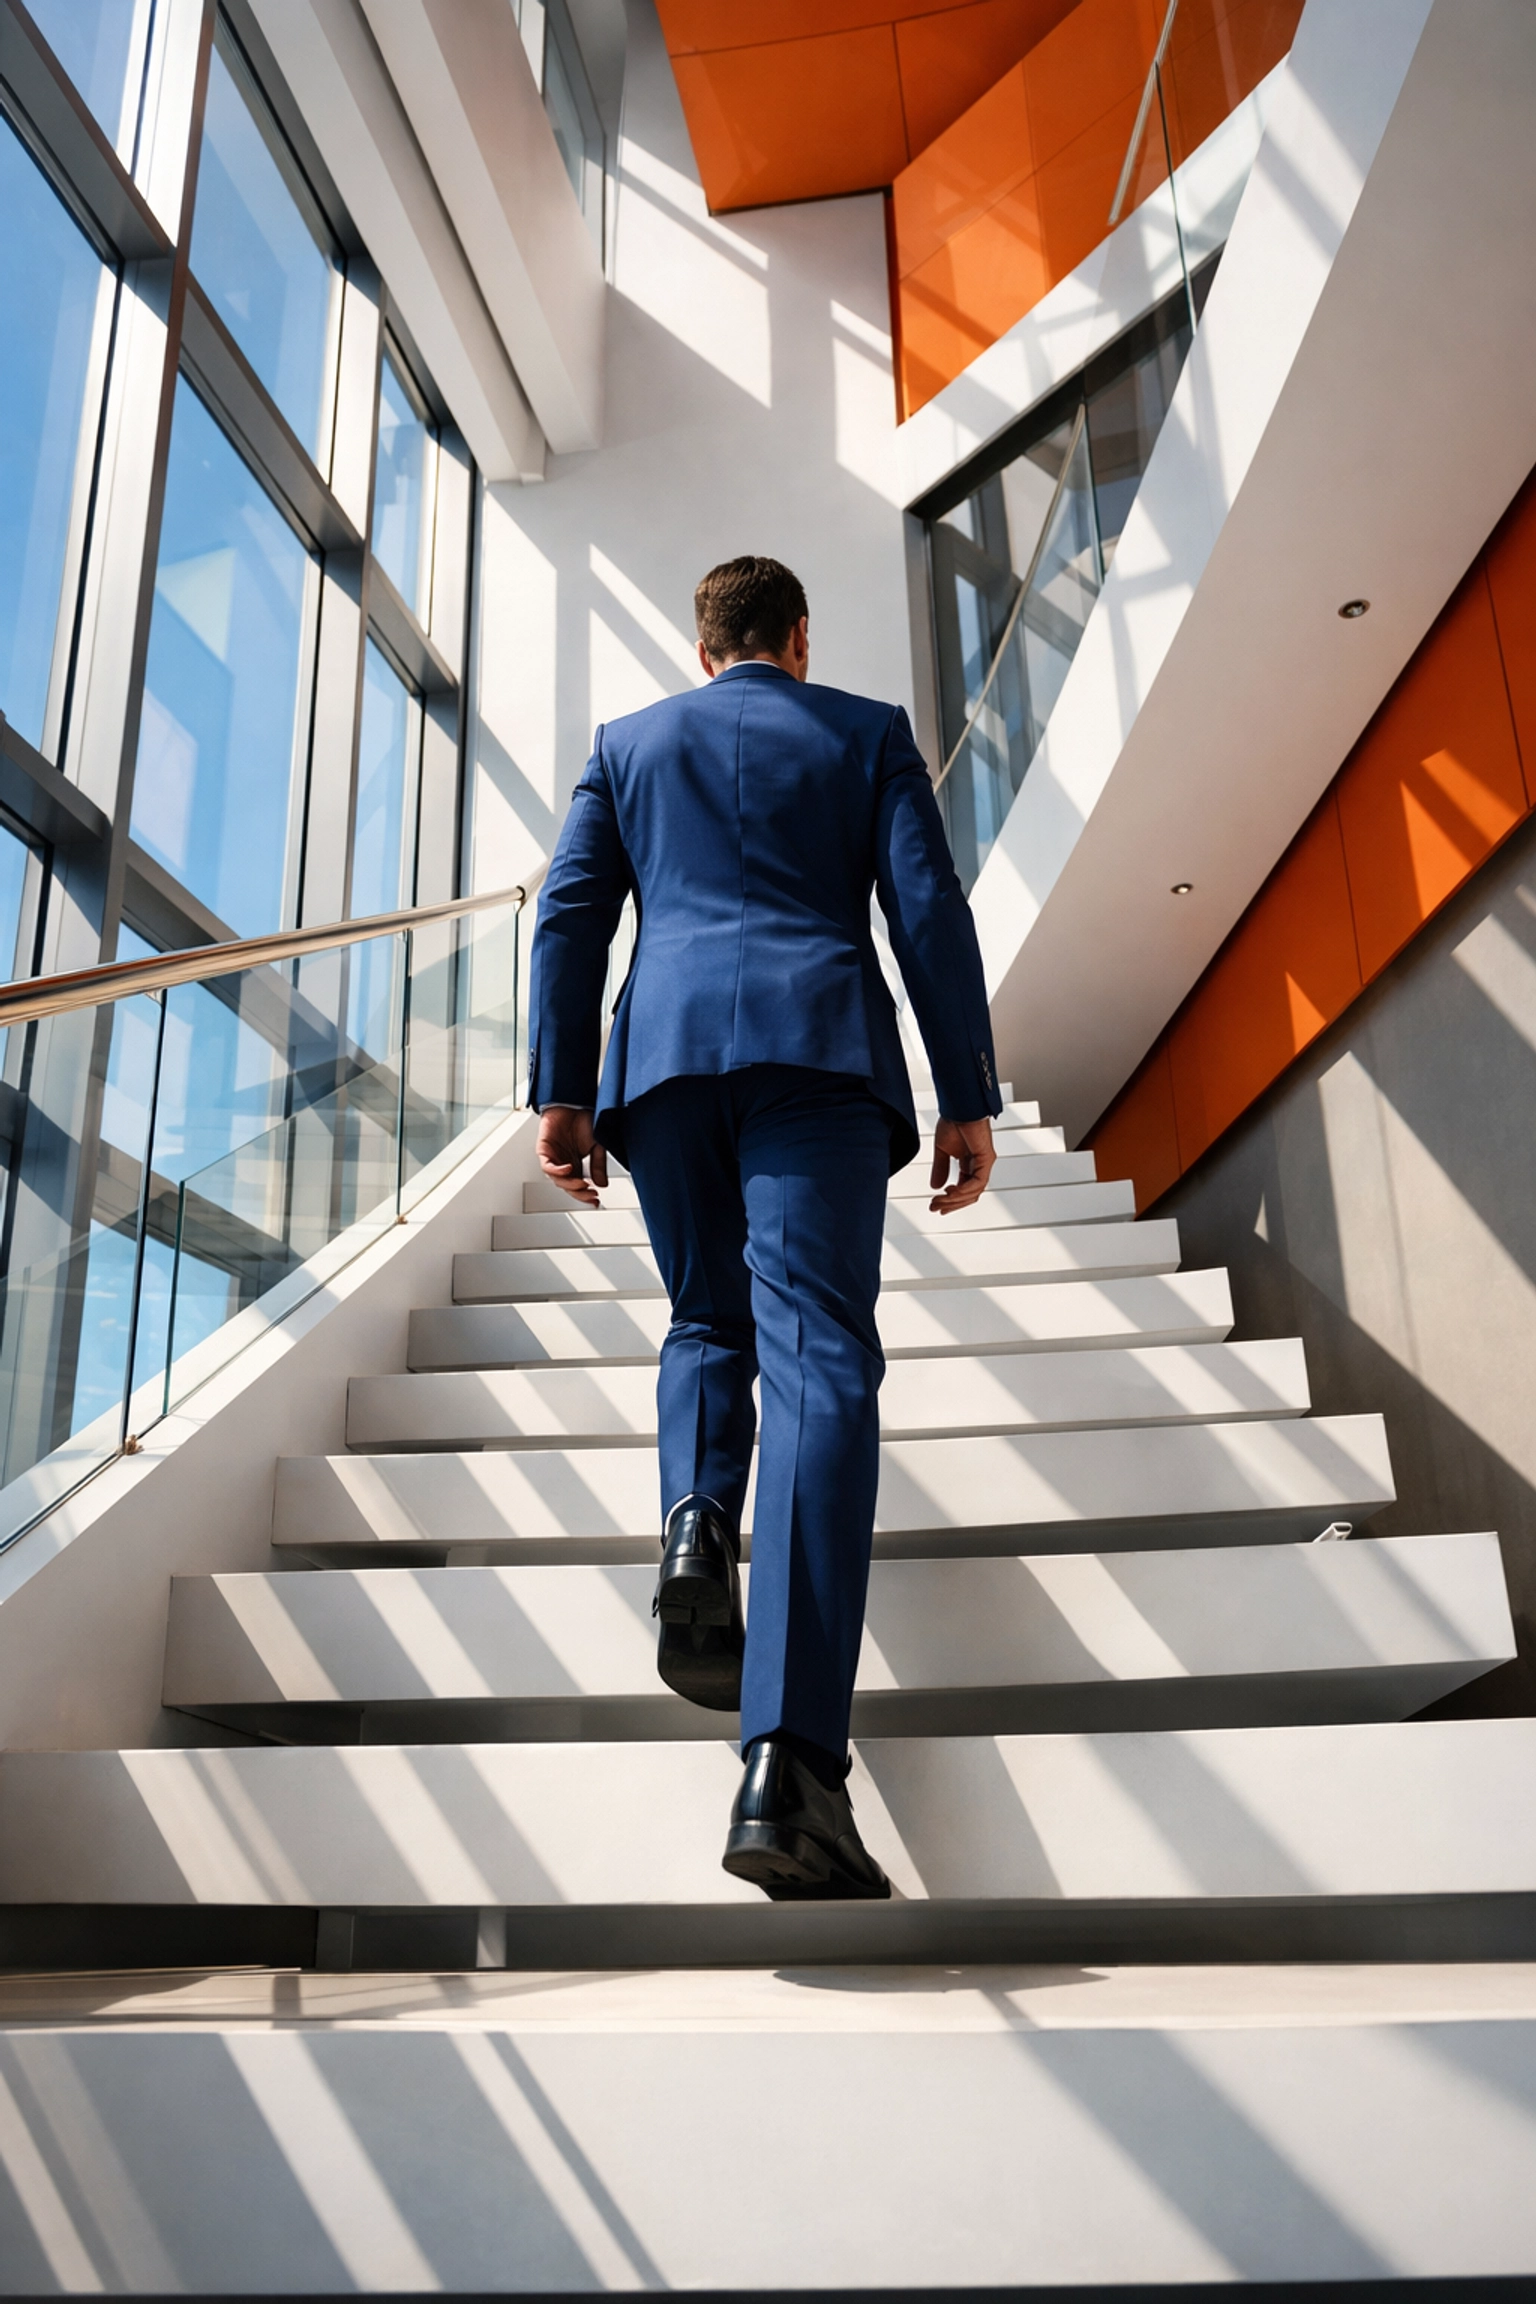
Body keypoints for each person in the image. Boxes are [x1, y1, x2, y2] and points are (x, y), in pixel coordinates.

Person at [528, 556, 1000, 1900]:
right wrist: (968, 1093)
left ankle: (692, 1525)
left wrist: (564, 1091)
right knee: (821, 1365)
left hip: (665, 1068)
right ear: (799, 638)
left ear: (702, 648)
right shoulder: (863, 734)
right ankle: (789, 1768)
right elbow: (926, 911)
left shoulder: (627, 748)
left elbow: (570, 916)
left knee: (702, 1319)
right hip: (815, 1058)